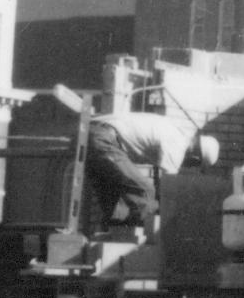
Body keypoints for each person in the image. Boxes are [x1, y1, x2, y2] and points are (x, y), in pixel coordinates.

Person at [80, 102, 213, 242]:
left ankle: (114, 239)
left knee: (116, 197)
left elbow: (160, 184)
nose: (189, 167)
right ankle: (130, 239)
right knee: (145, 190)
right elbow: (167, 189)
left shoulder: (173, 130)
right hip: (103, 139)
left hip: (90, 132)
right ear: (195, 157)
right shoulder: (177, 145)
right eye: (194, 165)